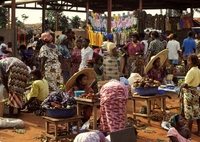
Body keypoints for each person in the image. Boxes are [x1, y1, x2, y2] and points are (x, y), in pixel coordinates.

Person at [179, 54, 200, 136]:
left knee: (189, 114)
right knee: (197, 112)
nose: (187, 62)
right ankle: (199, 131)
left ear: (190, 62)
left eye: (188, 60)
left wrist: (181, 85)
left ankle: (188, 133)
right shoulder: (198, 70)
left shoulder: (191, 71)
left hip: (189, 93)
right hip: (195, 92)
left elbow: (186, 84)